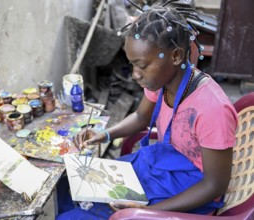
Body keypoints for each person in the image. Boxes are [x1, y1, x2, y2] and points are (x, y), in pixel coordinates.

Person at [57, 2, 238, 219]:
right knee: (72, 181)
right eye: (132, 65)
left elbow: (214, 186)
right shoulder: (164, 80)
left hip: (189, 190)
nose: (135, 74)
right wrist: (104, 135)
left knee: (81, 213)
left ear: (176, 56)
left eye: (142, 66)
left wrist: (146, 212)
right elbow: (141, 116)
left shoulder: (212, 109)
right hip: (160, 167)